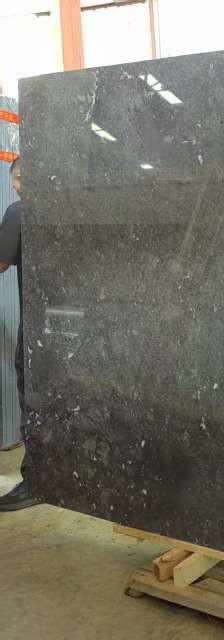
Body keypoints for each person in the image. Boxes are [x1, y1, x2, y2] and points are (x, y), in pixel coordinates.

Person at [0, 157, 37, 510]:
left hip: (37, 324)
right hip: (72, 323)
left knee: (31, 392)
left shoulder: (18, 211)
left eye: (19, 178)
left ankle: (37, 481)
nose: (16, 185)